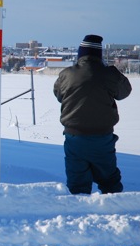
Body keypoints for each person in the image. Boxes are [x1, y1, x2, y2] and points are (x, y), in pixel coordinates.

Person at [53, 34, 132, 195]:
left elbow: (58, 95)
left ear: (80, 54)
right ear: (99, 55)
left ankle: (79, 215)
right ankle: (114, 214)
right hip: (102, 138)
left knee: (77, 184)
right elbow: (125, 92)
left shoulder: (66, 74)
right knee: (110, 182)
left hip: (74, 137)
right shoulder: (109, 74)